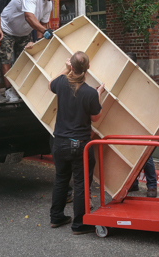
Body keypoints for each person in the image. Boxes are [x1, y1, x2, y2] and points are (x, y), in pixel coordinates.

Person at [49, 52, 105, 235]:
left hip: (60, 142)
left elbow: (50, 84)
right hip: (80, 144)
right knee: (81, 184)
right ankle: (79, 224)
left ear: (71, 67)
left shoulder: (62, 83)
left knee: (61, 179)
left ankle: (56, 217)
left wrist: (65, 69)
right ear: (88, 68)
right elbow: (95, 118)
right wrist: (98, 95)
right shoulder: (89, 92)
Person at [0, 0, 61, 102]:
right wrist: (45, 31)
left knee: (25, 61)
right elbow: (29, 17)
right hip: (7, 29)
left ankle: (20, 89)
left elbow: (42, 25)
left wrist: (39, 41)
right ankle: (8, 91)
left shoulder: (48, 5)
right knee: (7, 59)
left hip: (24, 33)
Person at [125, 52, 158, 198]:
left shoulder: (143, 80)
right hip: (129, 119)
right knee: (131, 152)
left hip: (143, 121)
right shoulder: (125, 78)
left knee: (146, 156)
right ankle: (134, 183)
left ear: (135, 64)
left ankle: (152, 186)